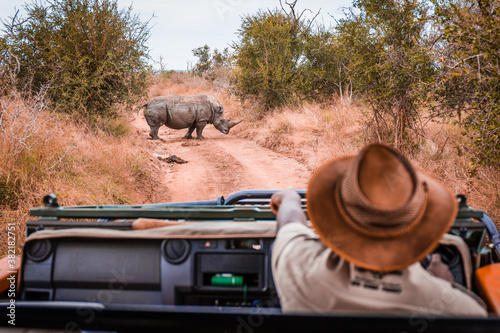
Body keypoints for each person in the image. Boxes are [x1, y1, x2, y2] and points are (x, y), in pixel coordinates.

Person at [270, 143, 487, 316]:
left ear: (337, 215)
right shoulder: (462, 311)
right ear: (420, 228)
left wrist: (290, 198)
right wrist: (444, 287)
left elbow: (289, 223)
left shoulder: (298, 268)